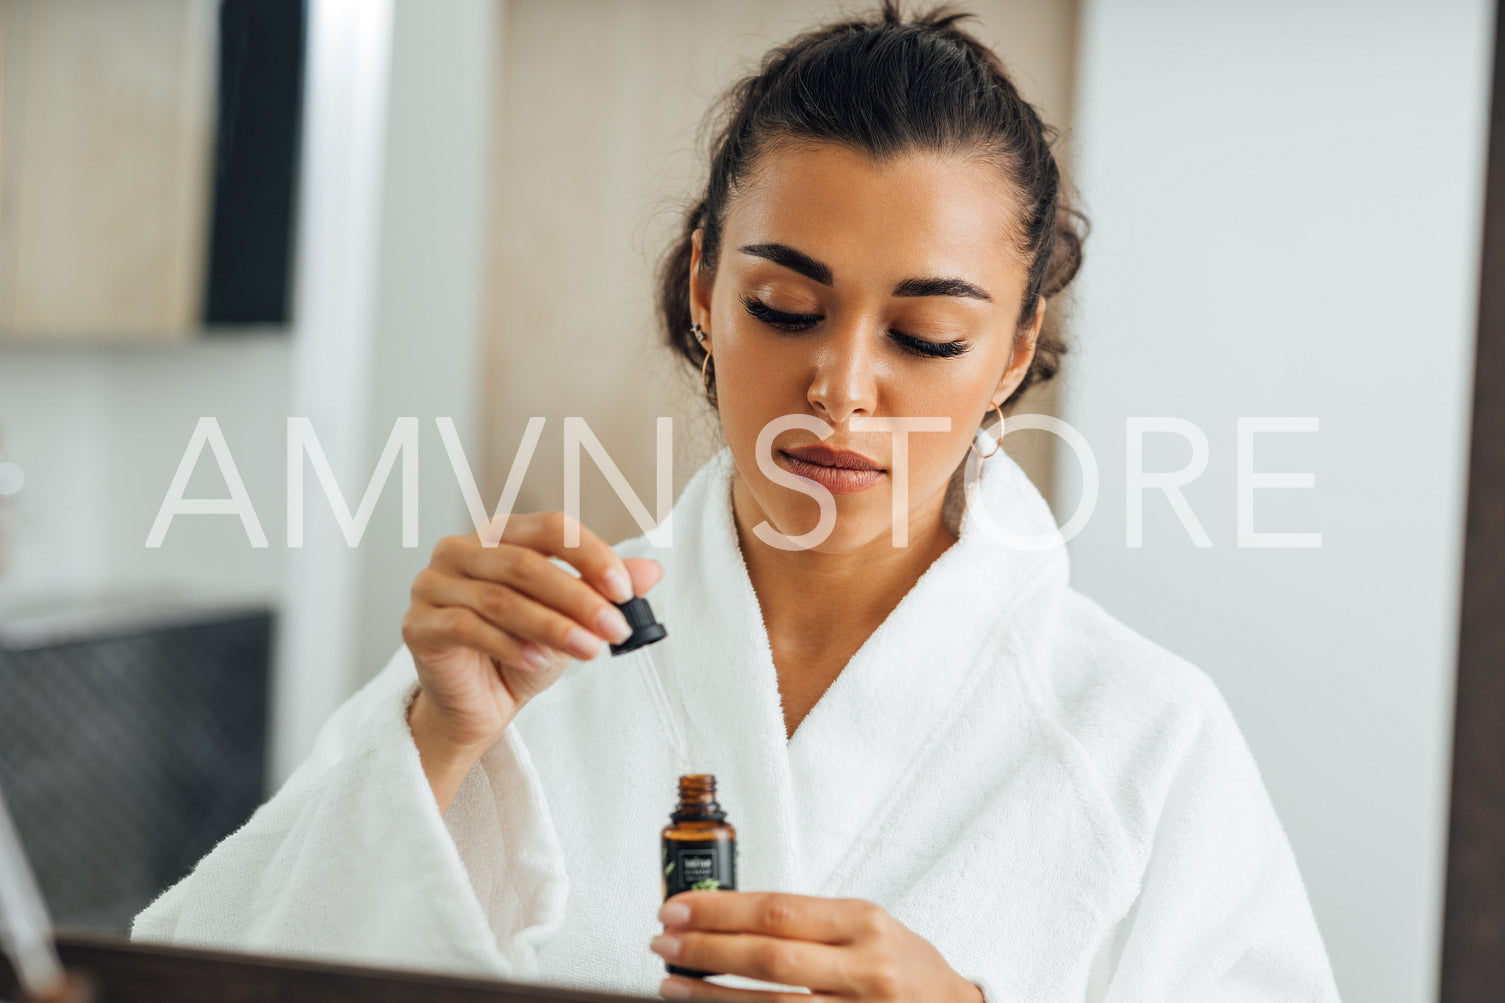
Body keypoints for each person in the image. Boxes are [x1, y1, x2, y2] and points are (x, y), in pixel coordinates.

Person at [133, 2, 1341, 999]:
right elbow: (181, 976)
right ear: (705, 284)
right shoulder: (524, 670)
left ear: (1015, 351)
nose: (841, 389)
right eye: (785, 307)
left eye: (924, 334)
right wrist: (433, 746)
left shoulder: (1143, 737)